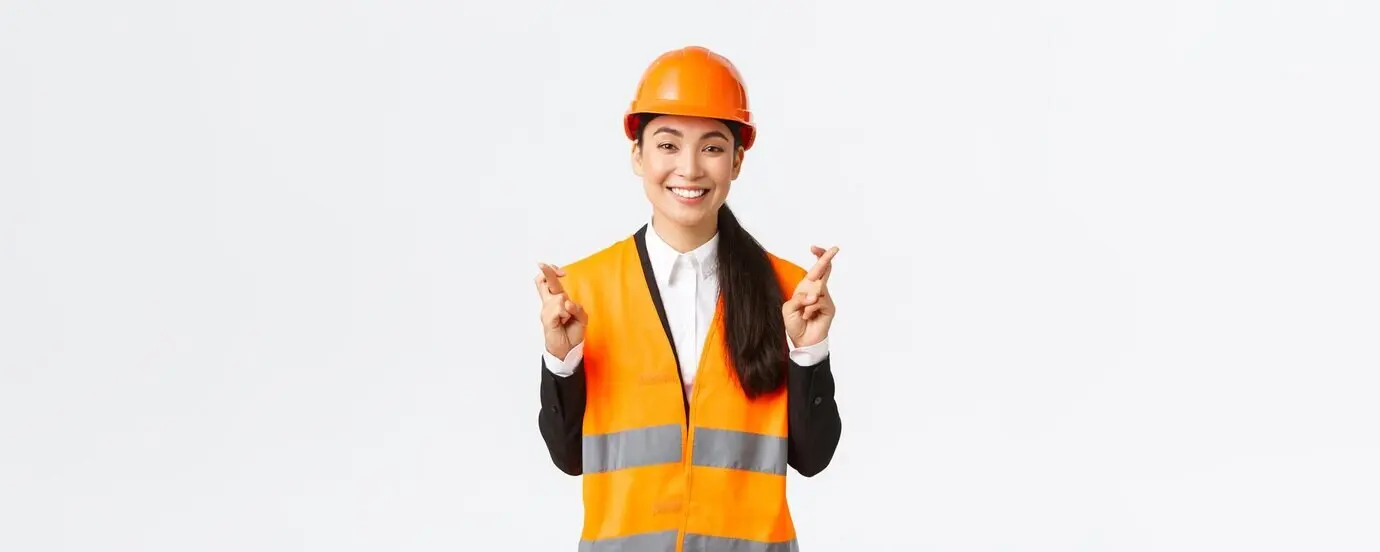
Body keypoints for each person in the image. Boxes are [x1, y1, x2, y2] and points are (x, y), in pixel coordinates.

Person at [534, 45, 842, 552]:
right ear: (638, 154)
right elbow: (570, 457)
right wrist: (560, 360)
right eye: (669, 145)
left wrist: (809, 351)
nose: (691, 169)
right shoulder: (584, 291)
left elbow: (812, 457)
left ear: (738, 161)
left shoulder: (789, 292)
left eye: (713, 148)